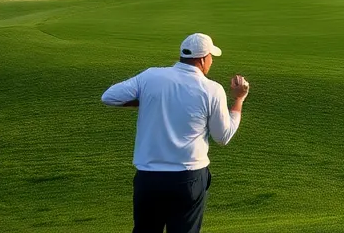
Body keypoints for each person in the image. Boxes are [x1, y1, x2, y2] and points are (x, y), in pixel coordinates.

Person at [101, 33, 250, 233]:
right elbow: (223, 137)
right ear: (203, 59)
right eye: (211, 57)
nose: (211, 62)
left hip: (149, 179)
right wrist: (239, 99)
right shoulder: (211, 89)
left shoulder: (150, 76)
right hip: (188, 179)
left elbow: (109, 97)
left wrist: (148, 100)